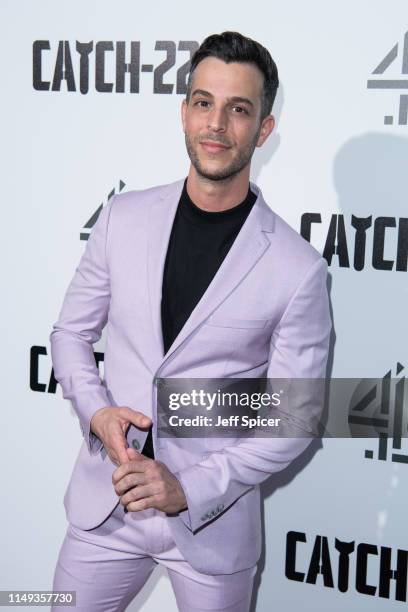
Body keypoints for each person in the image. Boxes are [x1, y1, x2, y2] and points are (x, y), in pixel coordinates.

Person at [50, 31, 331, 612]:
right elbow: (70, 335)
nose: (217, 124)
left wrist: (190, 489)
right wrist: (97, 410)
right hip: (106, 505)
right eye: (204, 102)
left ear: (264, 129)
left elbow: (296, 415)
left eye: (239, 109)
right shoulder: (122, 219)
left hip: (213, 524)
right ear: (184, 112)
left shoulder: (296, 268)